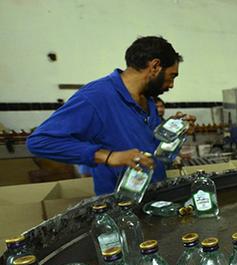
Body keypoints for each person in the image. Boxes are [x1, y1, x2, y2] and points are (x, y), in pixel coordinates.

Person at [27, 36, 194, 195]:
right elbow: (39, 142)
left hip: (155, 197)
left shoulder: (148, 99)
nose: (171, 85)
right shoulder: (96, 97)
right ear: (155, 66)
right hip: (122, 205)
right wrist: (109, 157)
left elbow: (152, 148)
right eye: (172, 76)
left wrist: (173, 130)